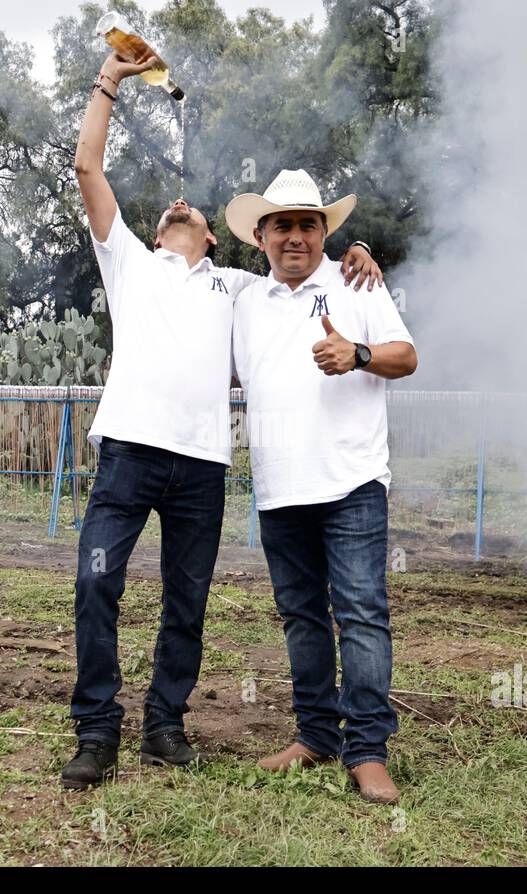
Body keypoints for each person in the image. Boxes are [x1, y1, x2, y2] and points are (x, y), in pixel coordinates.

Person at [61, 56, 384, 790]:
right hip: (129, 454)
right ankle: (97, 728)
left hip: (202, 468)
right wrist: (109, 80)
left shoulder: (237, 289)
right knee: (95, 584)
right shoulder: (130, 264)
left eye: (194, 214)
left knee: (187, 600)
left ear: (212, 240)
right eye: (170, 212)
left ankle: (164, 725)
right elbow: (86, 165)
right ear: (154, 232)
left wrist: (357, 253)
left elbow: (301, 269)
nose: (179, 208)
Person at [227, 169, 417, 803]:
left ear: (326, 233)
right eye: (283, 225)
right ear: (261, 236)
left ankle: (366, 749)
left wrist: (357, 354)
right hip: (280, 489)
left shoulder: (356, 280)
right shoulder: (246, 302)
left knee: (362, 614)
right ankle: (315, 737)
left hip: (352, 481)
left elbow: (406, 357)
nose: (296, 237)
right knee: (303, 617)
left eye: (309, 224)